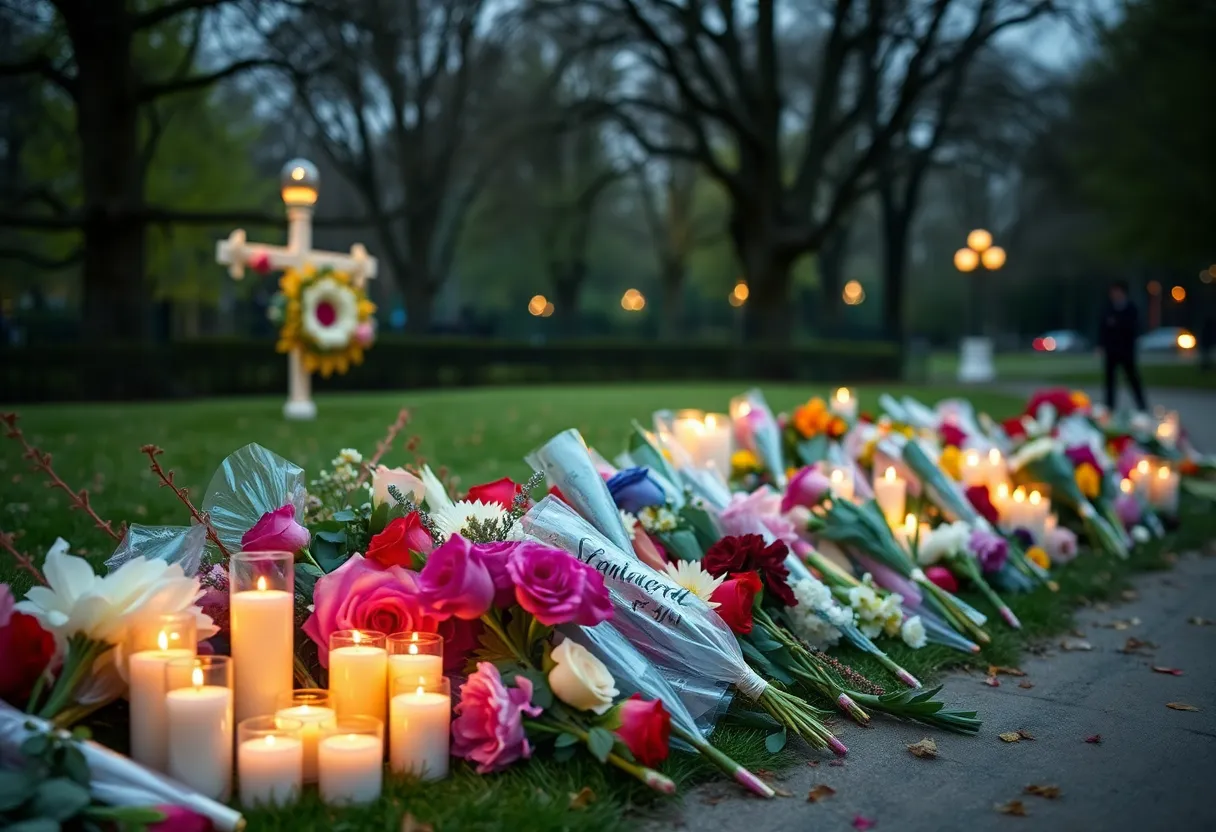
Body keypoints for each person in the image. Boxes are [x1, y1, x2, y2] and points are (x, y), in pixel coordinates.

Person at [1098, 280, 1147, 412]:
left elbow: (1133, 328)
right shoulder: (1108, 308)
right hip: (1111, 351)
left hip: (1126, 350)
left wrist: (1116, 324)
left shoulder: (1131, 309)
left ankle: (1142, 406)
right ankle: (1109, 407)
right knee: (1110, 381)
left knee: (1132, 378)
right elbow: (1103, 328)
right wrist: (1101, 345)